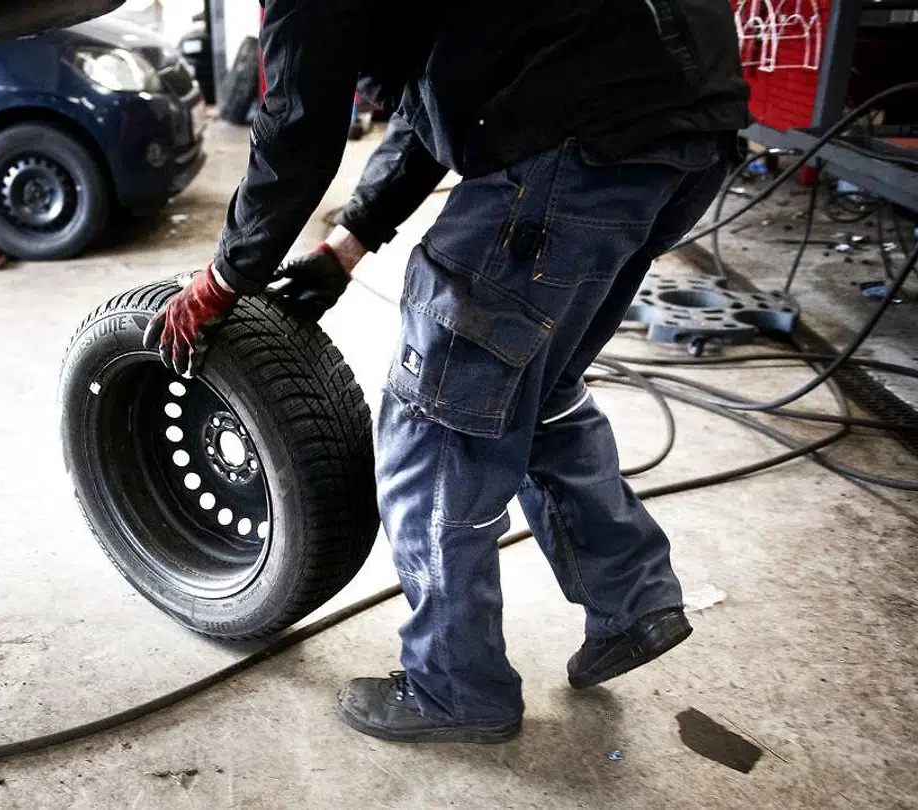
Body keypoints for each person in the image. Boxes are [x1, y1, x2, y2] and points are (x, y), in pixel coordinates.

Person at [145, 0, 750, 744]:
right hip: (683, 133)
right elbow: (442, 87)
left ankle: (455, 688)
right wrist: (348, 243)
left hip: (573, 137)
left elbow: (299, 121)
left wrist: (225, 276)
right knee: (537, 389)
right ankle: (634, 600)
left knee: (434, 429)